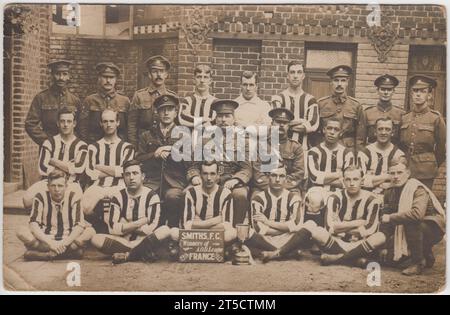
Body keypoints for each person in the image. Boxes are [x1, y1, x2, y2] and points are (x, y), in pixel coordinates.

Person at [263, 166, 385, 266]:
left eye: (355, 179)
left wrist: (341, 227)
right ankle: (354, 260)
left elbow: (370, 229)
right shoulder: (335, 197)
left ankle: (338, 259)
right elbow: (330, 227)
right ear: (343, 181)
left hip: (360, 243)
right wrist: (358, 223)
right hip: (338, 242)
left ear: (362, 181)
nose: (352, 183)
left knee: (379, 237)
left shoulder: (372, 200)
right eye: (348, 179)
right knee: (318, 232)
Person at [90, 160, 173, 264]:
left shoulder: (152, 196)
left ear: (142, 176)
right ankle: (140, 252)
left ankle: (128, 255)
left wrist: (125, 225)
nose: (131, 177)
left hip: (143, 239)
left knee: (165, 230)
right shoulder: (117, 197)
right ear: (124, 177)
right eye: (127, 174)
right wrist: (140, 222)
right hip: (124, 241)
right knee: (95, 239)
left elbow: (150, 229)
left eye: (135, 173)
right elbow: (113, 229)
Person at [136, 94, 197, 228]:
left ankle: (172, 232)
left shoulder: (184, 134)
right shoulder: (147, 135)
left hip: (175, 181)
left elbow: (190, 161)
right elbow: (139, 159)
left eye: (170, 109)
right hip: (153, 180)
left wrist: (173, 150)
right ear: (157, 113)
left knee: (173, 196)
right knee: (145, 194)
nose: (166, 113)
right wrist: (155, 154)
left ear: (176, 113)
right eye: (162, 109)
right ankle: (147, 232)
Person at [379, 158, 445, 275]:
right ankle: (426, 253)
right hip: (408, 229)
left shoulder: (417, 188)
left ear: (408, 173)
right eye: (392, 173)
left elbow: (416, 214)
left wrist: (390, 218)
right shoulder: (390, 191)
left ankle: (417, 262)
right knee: (389, 262)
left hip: (432, 228)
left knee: (412, 222)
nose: (396, 177)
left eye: (399, 173)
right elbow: (384, 217)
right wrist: (384, 246)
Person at [194, 99, 252, 227]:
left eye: (227, 116)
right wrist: (195, 177)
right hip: (208, 179)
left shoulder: (242, 139)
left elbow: (246, 168)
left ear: (233, 118)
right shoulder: (204, 139)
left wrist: (236, 180)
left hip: (231, 180)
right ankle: (191, 235)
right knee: (187, 192)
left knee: (240, 196)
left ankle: (236, 235)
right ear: (215, 119)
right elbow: (194, 165)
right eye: (220, 116)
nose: (223, 120)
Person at [16, 170, 94, 261]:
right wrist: (51, 244)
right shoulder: (40, 197)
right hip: (46, 240)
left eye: (60, 186)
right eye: (53, 186)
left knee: (90, 231)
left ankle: (43, 255)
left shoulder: (74, 197)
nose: (57, 189)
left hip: (67, 239)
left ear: (66, 186)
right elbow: (33, 224)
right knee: (20, 231)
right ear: (48, 186)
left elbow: (79, 225)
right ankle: (67, 254)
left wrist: (64, 244)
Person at [23, 107, 87, 209]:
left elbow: (78, 168)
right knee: (27, 199)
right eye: (62, 121)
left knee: (76, 203)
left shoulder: (81, 145)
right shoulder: (49, 143)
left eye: (69, 121)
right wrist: (68, 166)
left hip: (71, 183)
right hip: (49, 182)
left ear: (74, 124)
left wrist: (53, 161)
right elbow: (42, 168)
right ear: (58, 123)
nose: (65, 125)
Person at [82, 109, 135, 233]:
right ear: (101, 123)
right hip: (98, 186)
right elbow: (90, 173)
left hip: (120, 186)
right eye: (105, 121)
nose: (108, 124)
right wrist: (116, 171)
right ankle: (99, 232)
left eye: (112, 121)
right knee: (83, 206)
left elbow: (125, 171)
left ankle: (113, 233)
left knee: (120, 206)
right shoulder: (93, 147)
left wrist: (99, 166)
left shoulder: (127, 147)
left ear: (118, 123)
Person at [249, 162, 306, 262]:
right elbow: (259, 228)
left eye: (281, 176)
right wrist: (286, 228)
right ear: (268, 177)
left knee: (307, 228)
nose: (278, 180)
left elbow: (296, 225)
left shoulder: (294, 198)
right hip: (266, 239)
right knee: (248, 233)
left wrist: (268, 222)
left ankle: (271, 253)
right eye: (274, 175)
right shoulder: (258, 199)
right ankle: (287, 253)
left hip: (288, 238)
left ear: (286, 178)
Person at [399, 75, 446, 189]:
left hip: (425, 171)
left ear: (429, 95)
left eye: (423, 91)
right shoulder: (405, 117)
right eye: (415, 91)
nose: (418, 94)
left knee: (422, 201)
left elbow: (441, 148)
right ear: (411, 93)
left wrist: (430, 163)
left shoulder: (435, 118)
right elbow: (400, 144)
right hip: (405, 169)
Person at [171, 161, 236, 243]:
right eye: (205, 174)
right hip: (196, 235)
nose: (209, 178)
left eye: (212, 174)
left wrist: (198, 224)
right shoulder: (191, 192)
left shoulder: (226, 193)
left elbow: (227, 225)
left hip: (214, 235)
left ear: (218, 175)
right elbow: (186, 225)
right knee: (174, 232)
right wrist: (215, 221)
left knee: (232, 233)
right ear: (200, 175)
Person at [25, 60, 82, 146]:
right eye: (57, 74)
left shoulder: (75, 100)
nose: (61, 78)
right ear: (52, 75)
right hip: (48, 147)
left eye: (64, 74)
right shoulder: (41, 98)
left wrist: (72, 141)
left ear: (69, 76)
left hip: (70, 147)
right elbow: (30, 124)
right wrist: (47, 141)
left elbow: (80, 126)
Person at [252, 107, 304, 195]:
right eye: (278, 122)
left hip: (288, 187)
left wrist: (280, 187)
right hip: (263, 187)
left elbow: (298, 173)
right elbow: (257, 172)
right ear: (272, 124)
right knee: (256, 197)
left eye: (285, 123)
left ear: (289, 126)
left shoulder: (296, 147)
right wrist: (272, 187)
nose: (281, 125)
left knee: (295, 199)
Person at [128, 55, 177, 148]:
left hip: (165, 144)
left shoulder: (172, 97)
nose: (158, 75)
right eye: (155, 71)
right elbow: (132, 125)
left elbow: (176, 124)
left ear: (166, 74)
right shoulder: (139, 96)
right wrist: (133, 147)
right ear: (149, 74)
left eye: (161, 71)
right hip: (143, 145)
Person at [271, 61, 319, 150]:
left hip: (303, 149)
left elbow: (313, 125)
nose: (295, 76)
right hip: (280, 148)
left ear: (303, 76)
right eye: (292, 72)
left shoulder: (310, 100)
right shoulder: (278, 98)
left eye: (299, 72)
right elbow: (276, 123)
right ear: (287, 76)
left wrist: (286, 124)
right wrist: (302, 121)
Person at [79, 62, 130, 143]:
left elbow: (129, 128)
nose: (108, 80)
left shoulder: (124, 101)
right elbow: (83, 127)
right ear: (99, 78)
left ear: (116, 79)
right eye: (105, 77)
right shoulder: (89, 100)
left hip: (118, 145)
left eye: (111, 77)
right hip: (94, 144)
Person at [317, 65, 364, 148]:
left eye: (343, 81)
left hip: (348, 148)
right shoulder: (321, 104)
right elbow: (315, 132)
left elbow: (360, 134)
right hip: (326, 147)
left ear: (347, 82)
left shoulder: (356, 105)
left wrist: (356, 151)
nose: (339, 84)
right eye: (336, 80)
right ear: (331, 82)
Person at [358, 117, 406, 194]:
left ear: (392, 132)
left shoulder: (398, 154)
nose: (383, 132)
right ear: (375, 131)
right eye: (380, 129)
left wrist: (372, 179)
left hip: (390, 195)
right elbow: (359, 180)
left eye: (387, 129)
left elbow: (400, 180)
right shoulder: (365, 152)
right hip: (366, 194)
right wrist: (387, 176)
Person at [307, 117, 354, 191]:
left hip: (340, 193)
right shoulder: (314, 152)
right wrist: (339, 174)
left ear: (341, 133)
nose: (332, 132)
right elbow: (314, 178)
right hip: (318, 192)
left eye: (336, 129)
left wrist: (323, 179)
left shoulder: (347, 153)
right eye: (329, 128)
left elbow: (348, 180)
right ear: (324, 130)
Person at [361, 74, 405, 145]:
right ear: (377, 91)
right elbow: (361, 139)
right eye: (383, 89)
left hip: (394, 153)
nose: (386, 93)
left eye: (389, 90)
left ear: (393, 91)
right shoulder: (367, 113)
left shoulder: (401, 114)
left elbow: (402, 140)